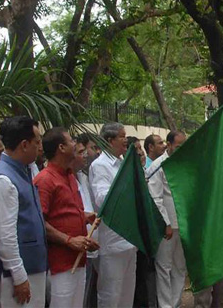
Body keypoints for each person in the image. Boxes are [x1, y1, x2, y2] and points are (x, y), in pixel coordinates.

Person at [34, 128, 99, 308]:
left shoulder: (70, 176)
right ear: (61, 148)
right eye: (71, 141)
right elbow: (40, 222)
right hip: (59, 265)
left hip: (79, 259)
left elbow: (63, 212)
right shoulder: (45, 179)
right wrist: (69, 240)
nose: (75, 144)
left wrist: (84, 217)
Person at [0, 116, 48, 308]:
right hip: (15, 276)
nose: (40, 147)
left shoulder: (25, 170)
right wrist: (19, 276)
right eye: (37, 142)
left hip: (32, 267)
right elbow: (5, 235)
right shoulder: (3, 179)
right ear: (24, 144)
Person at [89, 123, 137, 307]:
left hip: (129, 239)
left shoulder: (124, 163)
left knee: (126, 295)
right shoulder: (100, 166)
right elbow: (103, 199)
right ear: (109, 140)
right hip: (112, 241)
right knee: (111, 295)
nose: (126, 140)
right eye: (122, 136)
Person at [146, 131, 187, 308]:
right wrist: (166, 224)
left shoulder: (185, 163)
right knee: (164, 267)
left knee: (180, 268)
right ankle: (165, 306)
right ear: (169, 145)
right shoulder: (157, 166)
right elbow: (156, 198)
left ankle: (175, 303)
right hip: (166, 226)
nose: (181, 149)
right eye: (178, 146)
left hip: (184, 223)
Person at [73, 137, 99, 308]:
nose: (84, 156)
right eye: (80, 152)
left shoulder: (82, 176)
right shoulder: (52, 178)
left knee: (87, 294)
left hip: (90, 243)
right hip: (74, 248)